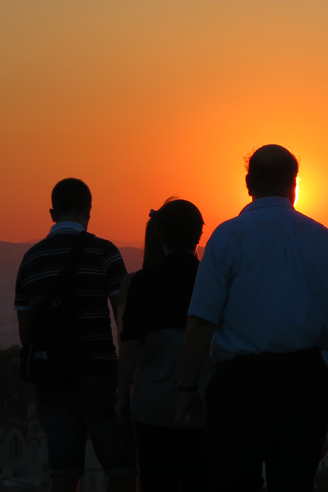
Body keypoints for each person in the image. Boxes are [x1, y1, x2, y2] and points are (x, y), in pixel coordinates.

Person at [175, 144, 328, 492]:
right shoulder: (327, 241)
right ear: (295, 183)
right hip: (307, 382)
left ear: (249, 183)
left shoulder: (228, 237)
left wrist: (187, 386)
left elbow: (202, 320)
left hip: (241, 385)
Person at [14, 178, 136, 492]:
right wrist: (127, 377)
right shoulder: (105, 253)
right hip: (99, 373)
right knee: (120, 466)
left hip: (52, 377)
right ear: (89, 211)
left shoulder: (31, 260)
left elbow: (25, 329)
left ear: (52, 213)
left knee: (63, 470)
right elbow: (124, 320)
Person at [116, 199, 208, 491]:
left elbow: (130, 346)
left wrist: (121, 394)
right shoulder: (211, 280)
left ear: (159, 235)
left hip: (152, 405)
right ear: (199, 235)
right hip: (203, 404)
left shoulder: (141, 284)